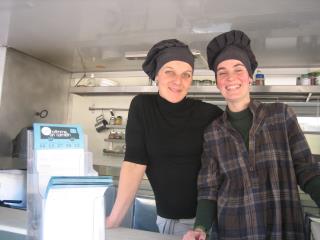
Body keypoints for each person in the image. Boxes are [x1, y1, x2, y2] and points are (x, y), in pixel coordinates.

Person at [183, 30, 320, 240]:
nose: (230, 78)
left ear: (250, 76)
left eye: (238, 69)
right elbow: (208, 189)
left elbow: (307, 169)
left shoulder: (281, 115)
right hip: (234, 231)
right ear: (218, 83)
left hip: (284, 229)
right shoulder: (213, 133)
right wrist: (200, 228)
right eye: (222, 72)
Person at [106, 39, 223, 236]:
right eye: (170, 71)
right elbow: (134, 164)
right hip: (167, 220)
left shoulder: (209, 114)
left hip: (209, 222)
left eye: (186, 75)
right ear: (157, 75)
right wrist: (113, 220)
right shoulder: (142, 107)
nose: (178, 81)